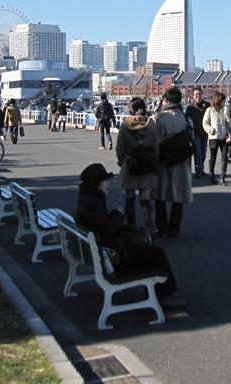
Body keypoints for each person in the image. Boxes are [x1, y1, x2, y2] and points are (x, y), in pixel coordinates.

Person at [75, 162, 184, 308]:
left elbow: (103, 228)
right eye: (105, 182)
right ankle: (164, 295)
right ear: (97, 184)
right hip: (114, 256)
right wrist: (117, 214)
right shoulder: (91, 205)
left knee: (147, 246)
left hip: (105, 251)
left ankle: (159, 293)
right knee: (157, 254)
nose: (107, 185)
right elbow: (109, 230)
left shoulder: (88, 200)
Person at [115, 97, 159, 236]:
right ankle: (150, 229)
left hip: (130, 164)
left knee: (130, 198)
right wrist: (155, 164)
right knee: (145, 199)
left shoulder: (125, 125)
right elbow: (156, 147)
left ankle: (132, 229)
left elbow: (119, 148)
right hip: (147, 165)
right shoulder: (151, 125)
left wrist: (122, 161)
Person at [153, 87, 193, 238]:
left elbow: (156, 140)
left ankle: (161, 227)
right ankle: (174, 228)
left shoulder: (160, 117)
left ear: (166, 100)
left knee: (160, 195)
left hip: (164, 160)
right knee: (178, 195)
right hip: (181, 160)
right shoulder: (185, 118)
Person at [202, 91, 231, 185]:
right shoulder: (210, 110)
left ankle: (222, 178)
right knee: (213, 157)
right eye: (222, 100)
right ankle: (212, 175)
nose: (224, 102)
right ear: (218, 100)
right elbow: (205, 123)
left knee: (224, 157)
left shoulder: (224, 110)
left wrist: (227, 116)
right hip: (213, 137)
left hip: (224, 137)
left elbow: (229, 125)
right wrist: (211, 130)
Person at [184, 86, 209, 178]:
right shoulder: (190, 107)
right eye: (195, 94)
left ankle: (201, 168)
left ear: (202, 94)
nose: (197, 96)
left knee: (203, 153)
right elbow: (186, 120)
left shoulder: (207, 106)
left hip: (205, 133)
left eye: (199, 94)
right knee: (198, 153)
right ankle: (199, 171)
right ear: (193, 96)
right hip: (195, 134)